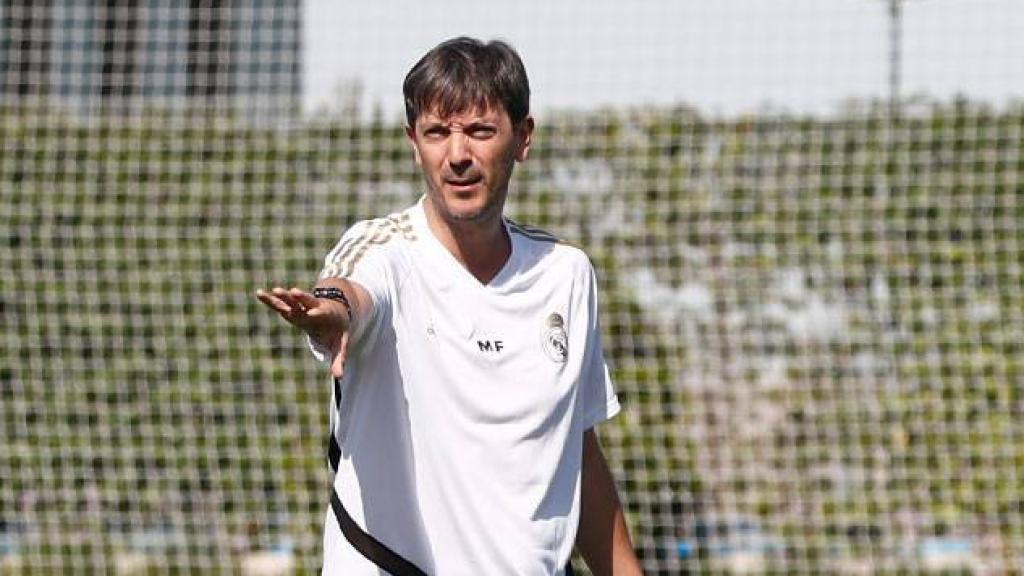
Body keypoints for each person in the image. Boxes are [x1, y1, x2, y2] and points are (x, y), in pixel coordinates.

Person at [256, 36, 643, 576]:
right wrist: (333, 314)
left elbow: (574, 451)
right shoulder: (384, 250)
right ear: (414, 143)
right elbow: (352, 290)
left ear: (522, 137)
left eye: (480, 131)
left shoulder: (566, 274)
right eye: (437, 133)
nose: (457, 155)